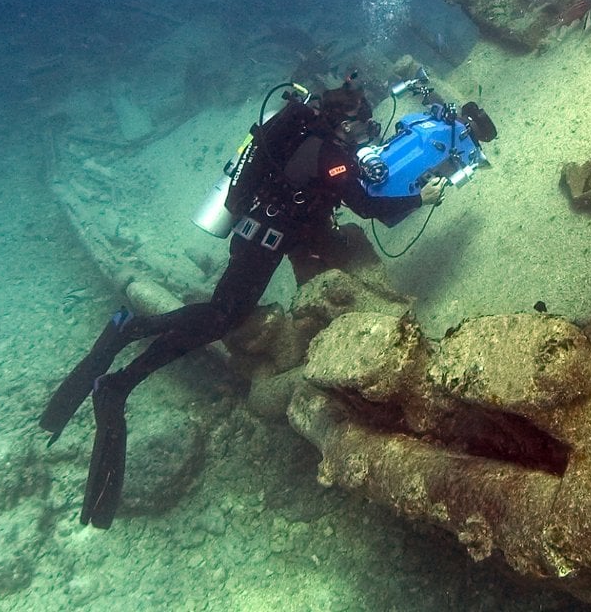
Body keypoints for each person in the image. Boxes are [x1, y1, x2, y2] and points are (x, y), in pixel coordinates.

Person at [39, 79, 448, 529]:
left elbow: (321, 192)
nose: (367, 131)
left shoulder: (306, 136)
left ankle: (124, 369)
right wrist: (421, 197)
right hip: (264, 243)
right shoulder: (331, 156)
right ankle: (127, 342)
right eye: (363, 124)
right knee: (222, 315)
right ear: (345, 122)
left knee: (219, 316)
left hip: (253, 232)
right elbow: (373, 211)